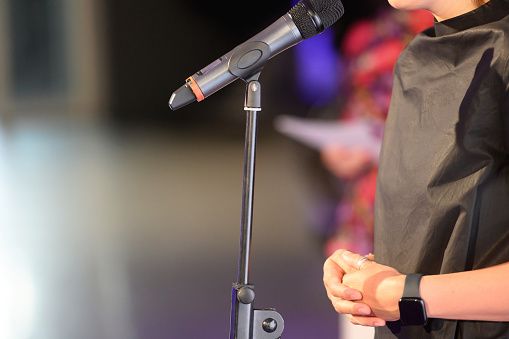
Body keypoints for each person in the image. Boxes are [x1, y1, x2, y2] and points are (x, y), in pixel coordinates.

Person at [323, 0, 509, 338]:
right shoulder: (414, 57)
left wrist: (403, 293)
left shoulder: (503, 52)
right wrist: (364, 272)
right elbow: (450, 232)